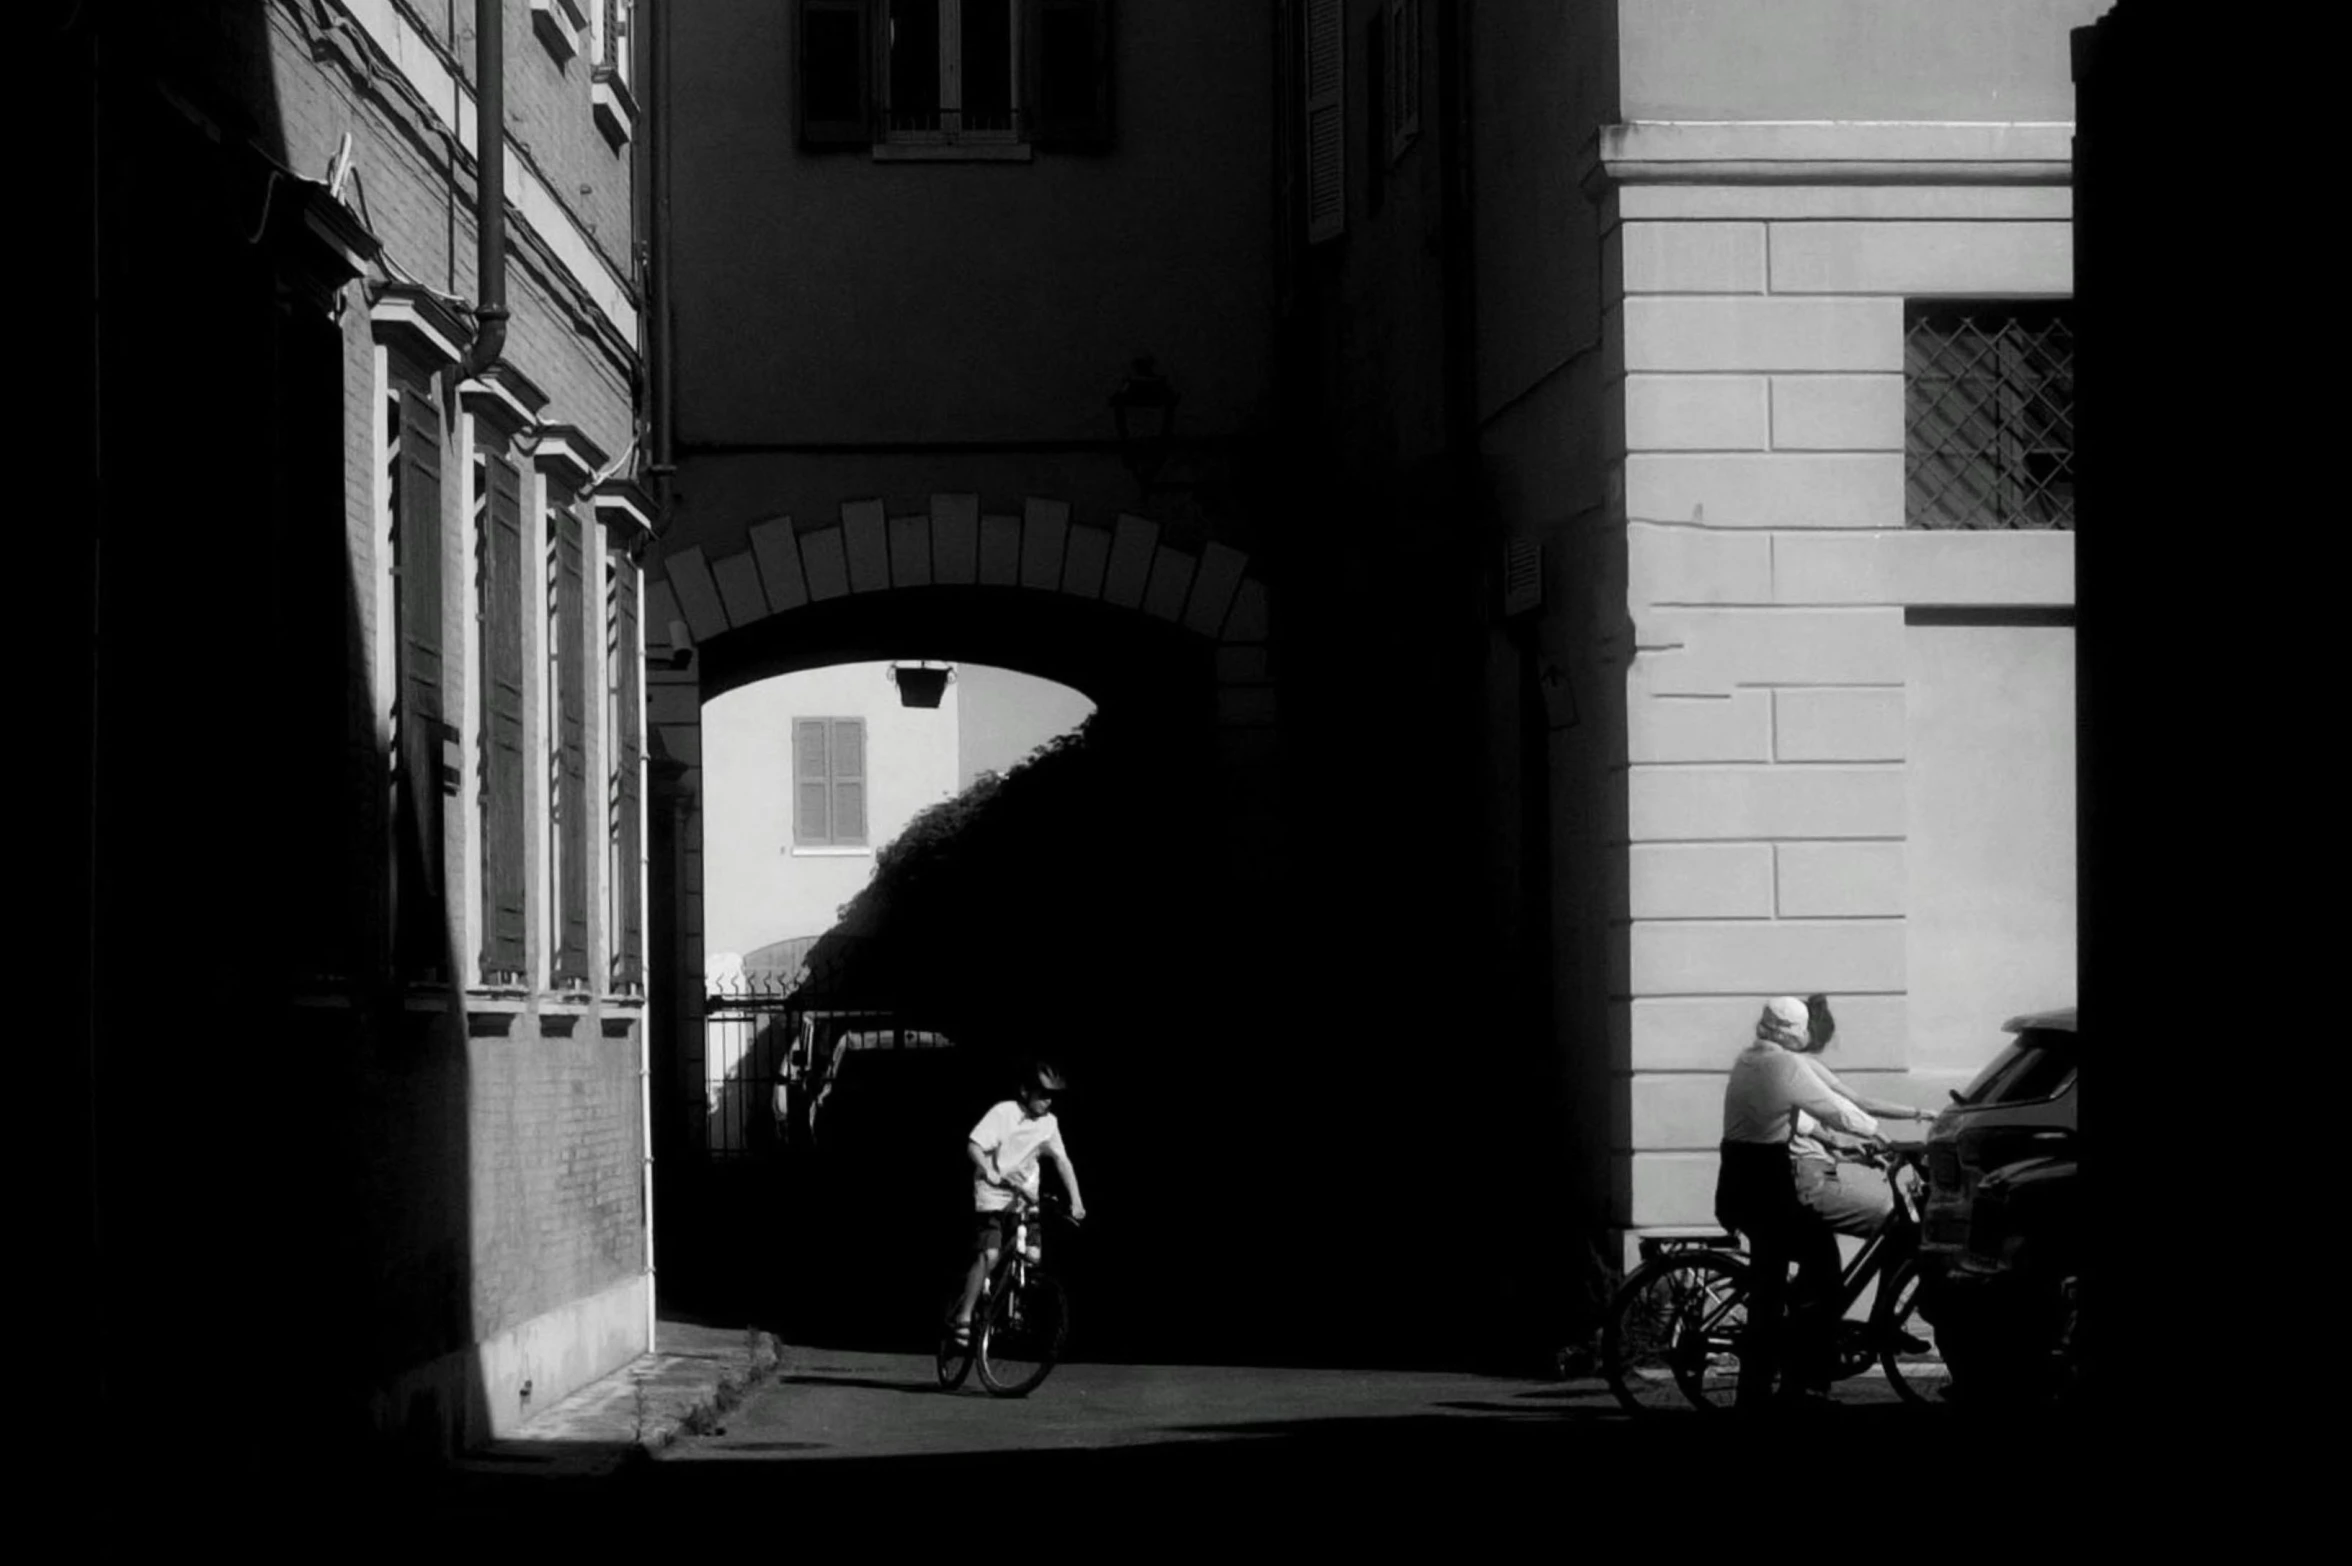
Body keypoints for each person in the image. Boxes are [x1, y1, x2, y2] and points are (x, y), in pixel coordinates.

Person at [1715, 996, 1928, 1408]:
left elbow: (1803, 1116)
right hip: (1768, 1188)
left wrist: (1843, 1146)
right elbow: (1837, 1110)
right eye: (1802, 1029)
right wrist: (1880, 1137)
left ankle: (1761, 1392)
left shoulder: (1748, 1061)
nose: (1808, 1035)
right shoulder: (1785, 1065)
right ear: (1791, 1031)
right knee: (1822, 1267)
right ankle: (1803, 1383)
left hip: (1739, 1188)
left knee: (1770, 1291)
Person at [949, 1060, 1087, 1345]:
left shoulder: (1050, 1124)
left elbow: (1062, 1161)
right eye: (1042, 1094)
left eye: (1052, 1097)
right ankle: (963, 1316)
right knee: (989, 1255)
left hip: (1025, 1196)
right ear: (1025, 1091)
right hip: (994, 1193)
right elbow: (973, 1145)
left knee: (1033, 1256)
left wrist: (1076, 1200)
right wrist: (988, 1171)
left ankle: (1011, 1301)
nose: (1048, 1102)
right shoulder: (1004, 1113)